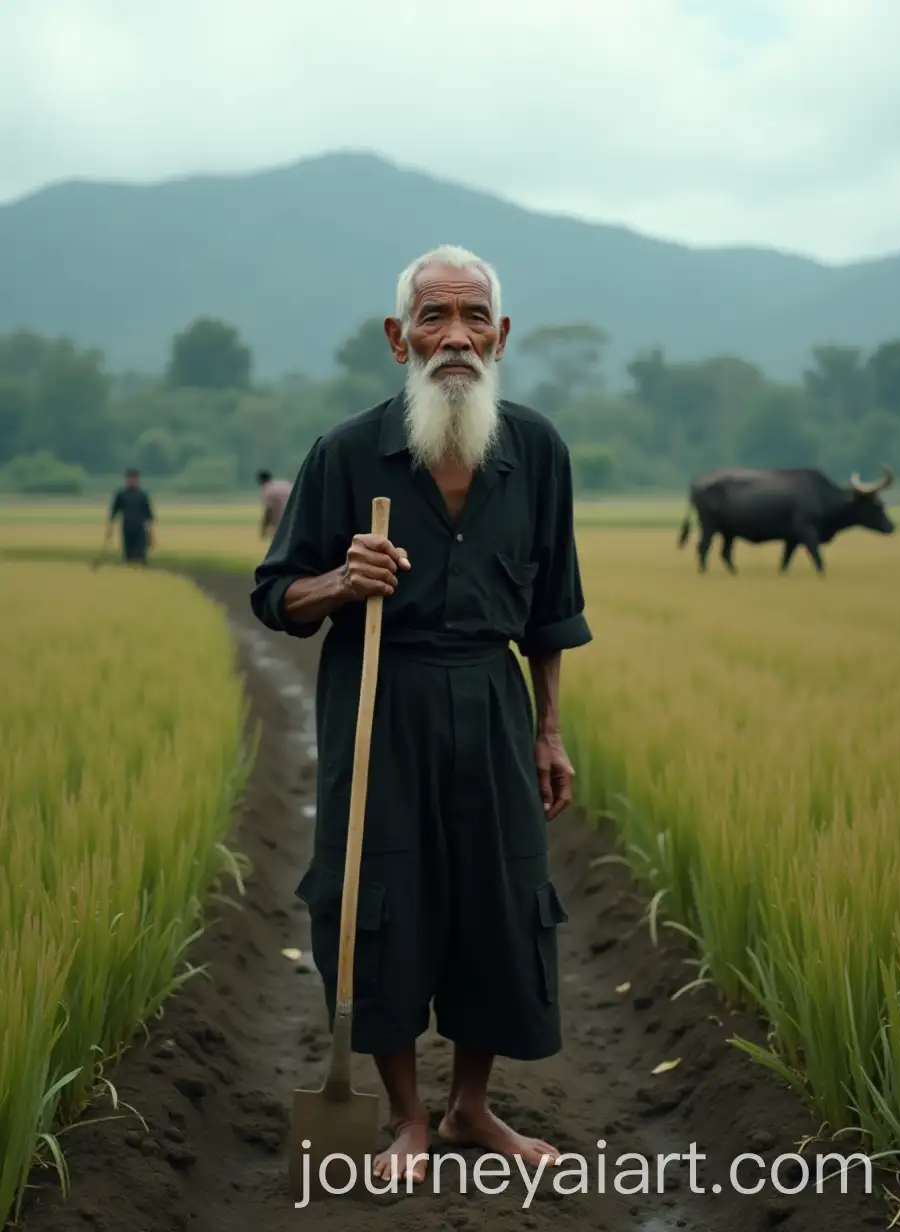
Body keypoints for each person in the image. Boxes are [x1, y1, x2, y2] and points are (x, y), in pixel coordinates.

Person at [250, 244, 592, 1184]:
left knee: (498, 895)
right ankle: (405, 1116)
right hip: (379, 699)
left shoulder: (537, 452)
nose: (455, 338)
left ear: (501, 336)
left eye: (473, 317)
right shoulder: (346, 453)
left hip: (490, 698)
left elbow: (553, 605)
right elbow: (275, 594)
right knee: (379, 900)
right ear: (398, 337)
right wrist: (337, 578)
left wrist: (549, 729)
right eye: (433, 319)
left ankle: (472, 1106)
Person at [106, 467, 154, 565]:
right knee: (128, 555)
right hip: (127, 527)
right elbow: (113, 513)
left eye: (134, 478)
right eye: (129, 478)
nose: (131, 481)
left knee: (141, 555)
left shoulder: (143, 495)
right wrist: (110, 530)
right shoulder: (121, 495)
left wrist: (150, 535)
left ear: (137, 479)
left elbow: (148, 516)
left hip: (140, 529)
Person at [256, 469, 293, 538]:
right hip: (294, 521)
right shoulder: (285, 484)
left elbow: (268, 510)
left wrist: (264, 529)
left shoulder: (267, 490)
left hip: (280, 524)